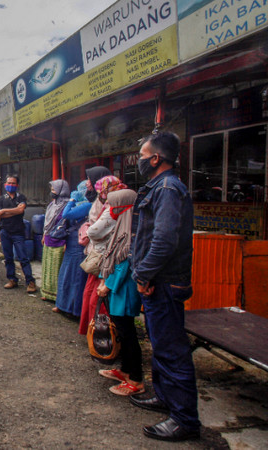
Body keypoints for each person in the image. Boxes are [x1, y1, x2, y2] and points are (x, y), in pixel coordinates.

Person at [128, 131, 200, 442]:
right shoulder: (159, 186)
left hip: (164, 283)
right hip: (159, 281)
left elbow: (164, 241)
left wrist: (143, 275)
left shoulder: (168, 188)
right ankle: (165, 398)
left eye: (142, 156)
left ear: (156, 158)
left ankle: (184, 419)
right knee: (160, 345)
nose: (139, 161)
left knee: (171, 351)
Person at [90, 189, 144, 397]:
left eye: (114, 205)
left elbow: (125, 263)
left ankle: (136, 380)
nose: (110, 210)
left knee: (128, 334)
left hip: (124, 289)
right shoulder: (122, 226)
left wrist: (108, 284)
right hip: (117, 288)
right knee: (122, 331)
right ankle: (125, 371)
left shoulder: (132, 231)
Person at [79, 175, 127, 335]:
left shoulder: (113, 207)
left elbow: (94, 231)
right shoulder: (121, 204)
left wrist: (89, 228)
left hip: (106, 257)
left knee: (98, 296)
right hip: (110, 256)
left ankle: (101, 334)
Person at [0, 175, 37, 294]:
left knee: (23, 257)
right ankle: (12, 279)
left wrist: (4, 211)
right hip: (5, 231)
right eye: (9, 183)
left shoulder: (21, 197)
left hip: (18, 232)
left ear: (17, 185)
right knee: (8, 258)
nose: (11, 185)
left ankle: (30, 281)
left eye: (13, 183)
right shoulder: (1, 199)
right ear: (5, 184)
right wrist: (12, 211)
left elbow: (21, 210)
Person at [54, 182, 91, 316]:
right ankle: (62, 305)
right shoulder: (80, 205)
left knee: (76, 278)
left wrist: (72, 200)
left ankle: (73, 309)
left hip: (79, 245)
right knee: (65, 275)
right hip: (71, 244)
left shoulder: (87, 205)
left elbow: (67, 214)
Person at [41, 180, 70, 301]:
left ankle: (58, 296)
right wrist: (44, 235)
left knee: (57, 269)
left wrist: (66, 242)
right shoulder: (52, 204)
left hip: (60, 241)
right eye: (52, 190)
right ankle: (47, 293)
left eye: (54, 190)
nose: (52, 192)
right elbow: (47, 222)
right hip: (48, 238)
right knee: (47, 266)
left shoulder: (68, 205)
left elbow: (68, 224)